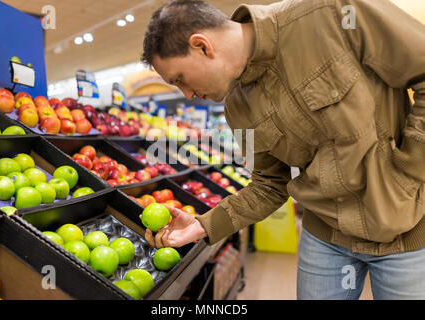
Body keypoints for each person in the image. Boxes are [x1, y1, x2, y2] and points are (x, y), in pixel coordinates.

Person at [141, 0, 425, 299]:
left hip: (404, 230)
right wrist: (203, 226)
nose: (188, 94)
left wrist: (410, 171)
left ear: (202, 46)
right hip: (325, 236)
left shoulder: (333, 12)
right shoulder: (237, 108)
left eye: (180, 79)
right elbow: (268, 185)